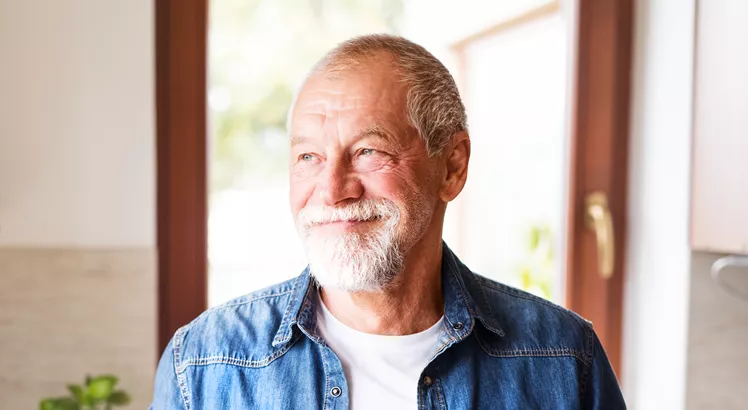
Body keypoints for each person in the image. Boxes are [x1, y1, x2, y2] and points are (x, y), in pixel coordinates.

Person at [150, 34, 625, 409]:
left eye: (368, 152)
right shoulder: (203, 364)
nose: (333, 190)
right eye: (309, 156)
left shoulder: (563, 358)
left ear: (453, 166)